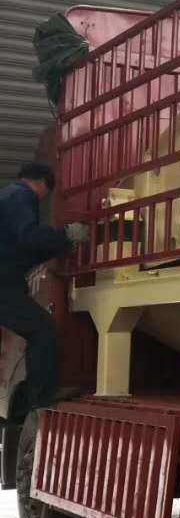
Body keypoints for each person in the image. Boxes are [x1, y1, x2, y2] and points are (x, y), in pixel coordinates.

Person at [0, 163, 87, 410]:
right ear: (41, 184)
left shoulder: (8, 196)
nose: (42, 199)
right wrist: (66, 234)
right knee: (42, 328)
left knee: (37, 328)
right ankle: (41, 394)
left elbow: (22, 250)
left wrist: (62, 243)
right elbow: (29, 237)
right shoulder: (20, 196)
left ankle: (35, 392)